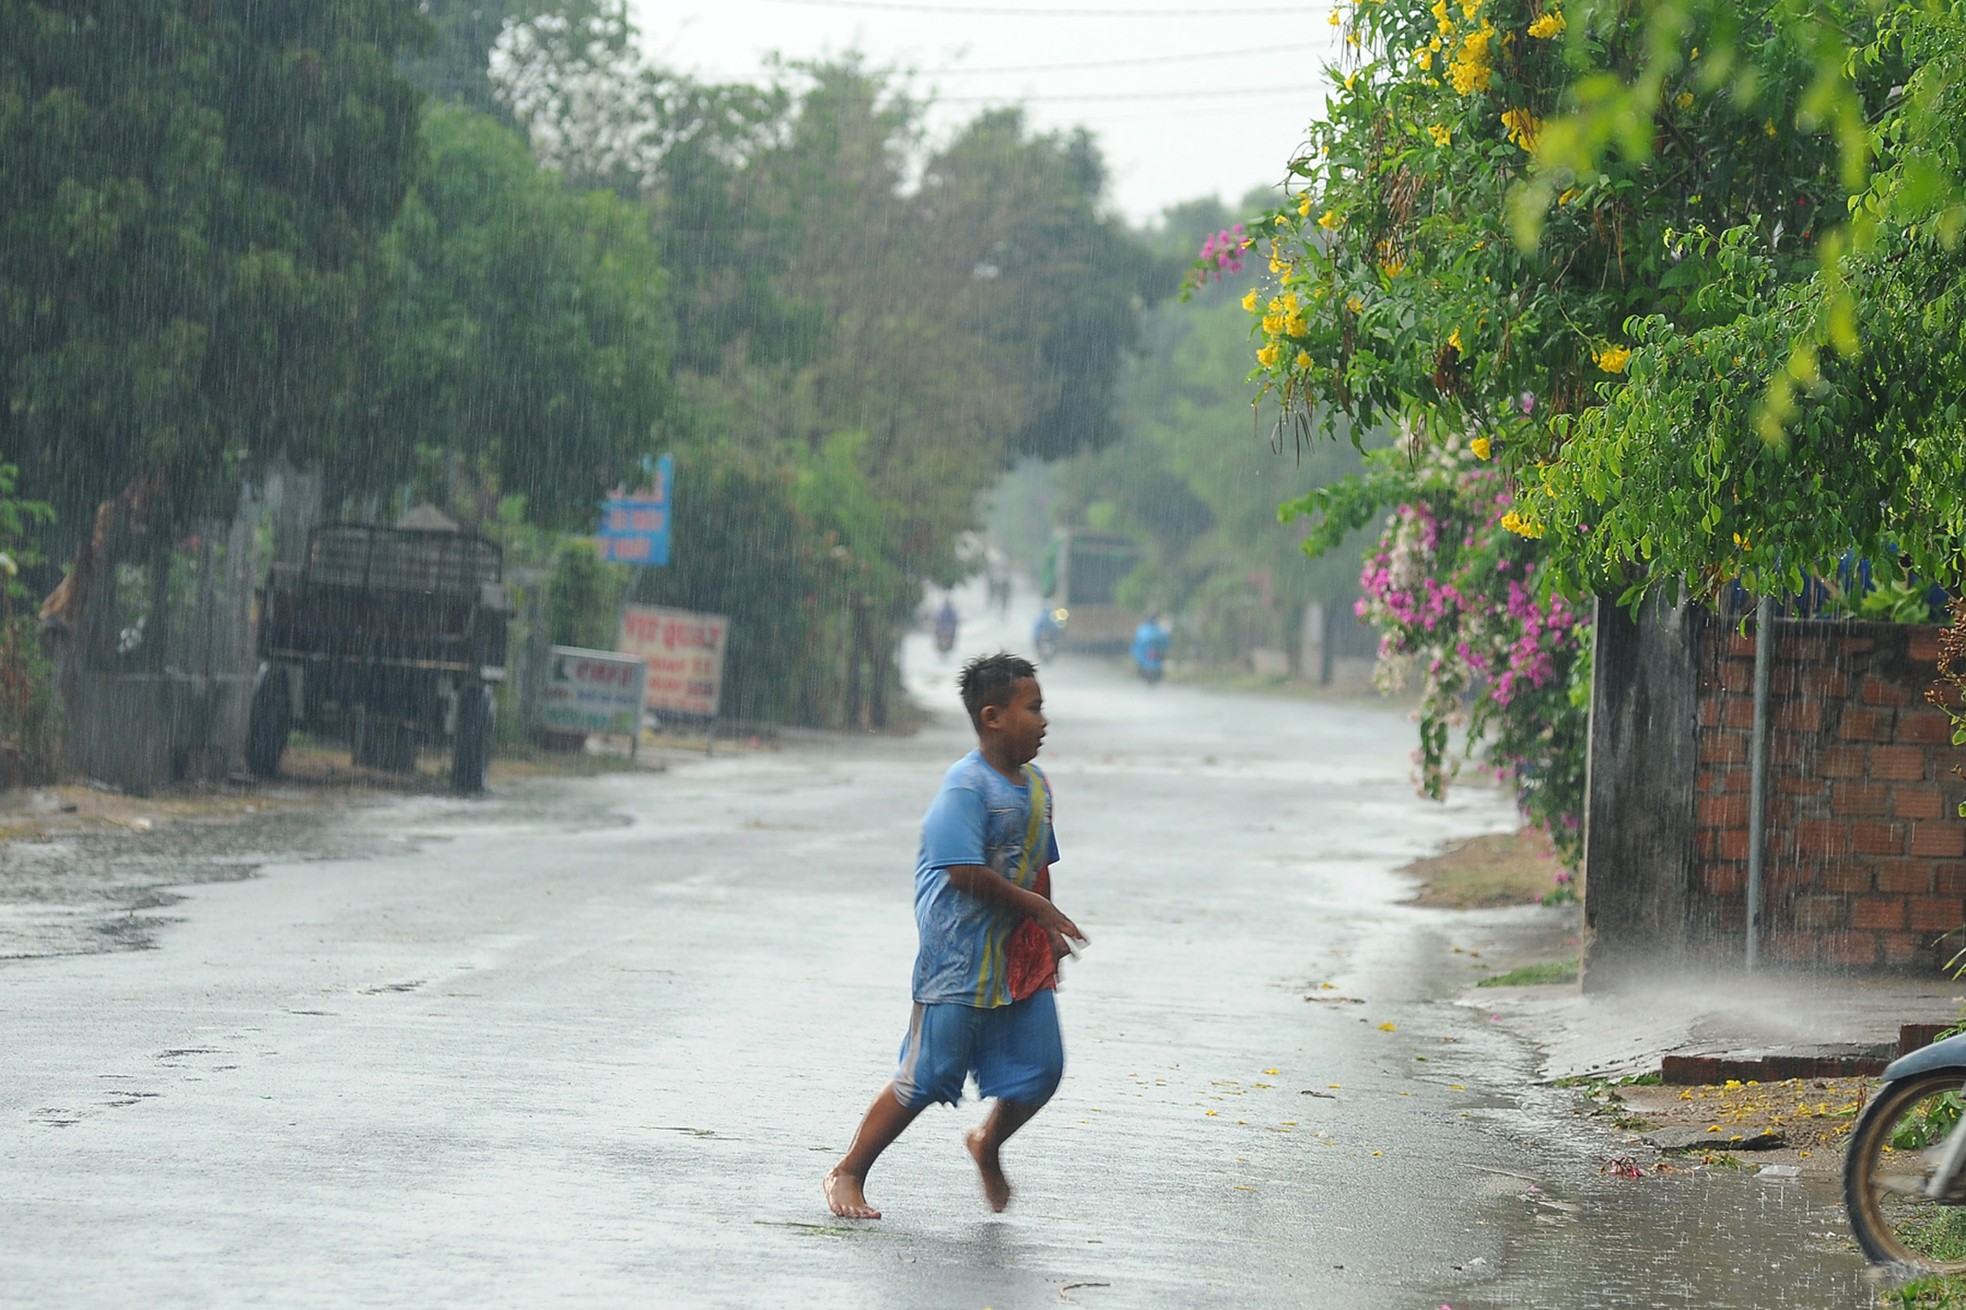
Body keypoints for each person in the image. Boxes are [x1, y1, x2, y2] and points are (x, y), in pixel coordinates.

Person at [823, 652, 1086, 1220]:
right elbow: (960, 869)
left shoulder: (1037, 788)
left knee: (1042, 1068)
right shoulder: (964, 786)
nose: (1044, 720)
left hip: (1015, 961)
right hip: (957, 959)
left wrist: (1049, 926)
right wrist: (1034, 907)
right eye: (1032, 708)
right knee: (927, 1075)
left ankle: (987, 1142)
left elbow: (1039, 864)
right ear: (992, 716)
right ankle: (848, 1171)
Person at [1131, 614, 1169, 685]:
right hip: (1152, 658)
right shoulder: (1159, 631)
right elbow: (1165, 643)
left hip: (1146, 658)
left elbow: (1136, 646)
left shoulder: (1142, 630)